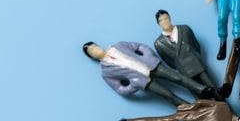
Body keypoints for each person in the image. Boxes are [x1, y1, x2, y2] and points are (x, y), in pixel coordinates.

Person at [82, 41, 214, 107]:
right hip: (142, 81)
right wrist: (134, 85)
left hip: (152, 66)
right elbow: (120, 88)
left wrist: (148, 56)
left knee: (177, 77)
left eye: (94, 46)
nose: (95, 50)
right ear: (91, 57)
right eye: (91, 51)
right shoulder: (106, 72)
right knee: (167, 95)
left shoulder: (119, 46)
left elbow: (140, 47)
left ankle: (202, 89)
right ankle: (191, 109)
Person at [153, 10, 218, 96]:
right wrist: (178, 64)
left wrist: (195, 56)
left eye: (166, 18)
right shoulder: (158, 43)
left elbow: (196, 45)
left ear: (170, 18)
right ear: (159, 23)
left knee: (213, 88)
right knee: (198, 95)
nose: (164, 21)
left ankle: (224, 105)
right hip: (184, 71)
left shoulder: (184, 29)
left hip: (196, 63)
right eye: (161, 20)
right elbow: (168, 61)